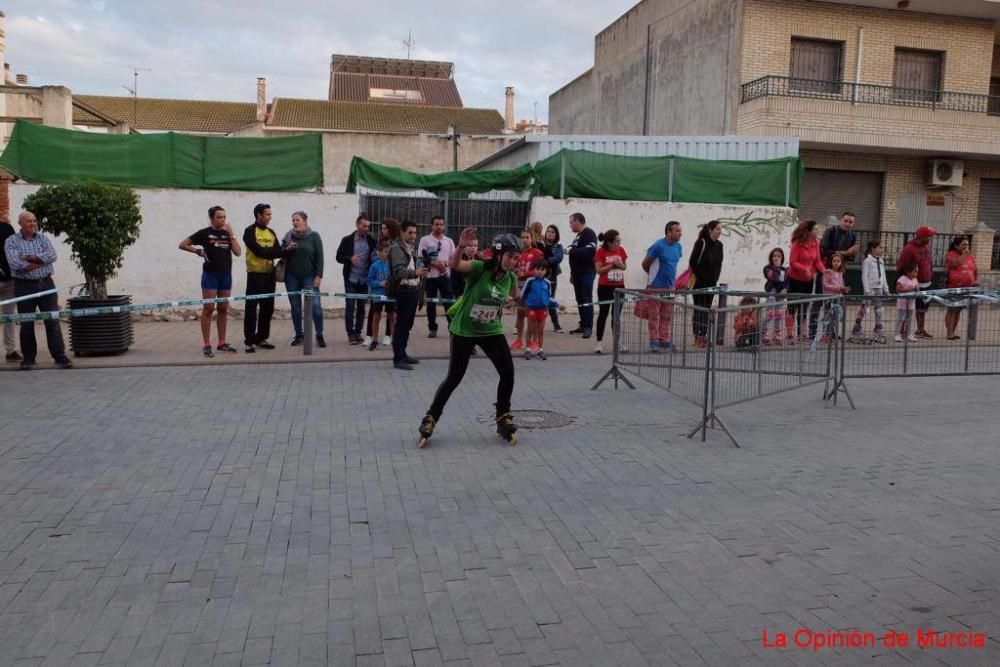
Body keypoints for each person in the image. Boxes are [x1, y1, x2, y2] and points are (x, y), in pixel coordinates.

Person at [417, 231, 521, 448]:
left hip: (491, 330)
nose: (513, 261)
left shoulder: (511, 277)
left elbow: (515, 296)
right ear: (498, 254)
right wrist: (460, 248)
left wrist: (513, 301)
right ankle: (431, 418)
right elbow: (456, 266)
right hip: (465, 330)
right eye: (509, 256)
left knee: (508, 373)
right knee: (454, 378)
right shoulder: (480, 268)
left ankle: (503, 415)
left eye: (516, 257)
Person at [3, 210, 73, 370]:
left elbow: (52, 256)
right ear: (20, 223)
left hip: (46, 284)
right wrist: (40, 261)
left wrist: (27, 258)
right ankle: (28, 358)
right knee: (27, 322)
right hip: (24, 286)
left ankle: (59, 356)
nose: (33, 224)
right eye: (29, 221)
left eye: (34, 220)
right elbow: (15, 264)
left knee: (53, 321)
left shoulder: (43, 238)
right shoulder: (11, 241)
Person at [179, 205, 243, 357]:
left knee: (222, 308)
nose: (222, 220)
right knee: (208, 308)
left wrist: (232, 234)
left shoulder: (227, 233)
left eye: (224, 217)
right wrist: (198, 251)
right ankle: (207, 344)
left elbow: (238, 252)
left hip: (226, 275)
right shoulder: (204, 233)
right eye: (219, 217)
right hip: (210, 275)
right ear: (212, 219)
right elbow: (183, 244)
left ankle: (221, 343)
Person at [242, 203, 286, 353]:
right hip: (254, 275)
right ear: (259, 215)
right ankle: (249, 341)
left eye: (270, 214)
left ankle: (261, 337)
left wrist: (281, 251)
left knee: (267, 308)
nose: (270, 217)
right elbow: (258, 251)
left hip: (269, 275)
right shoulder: (249, 231)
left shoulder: (271, 232)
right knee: (251, 308)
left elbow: (278, 251)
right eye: (267, 214)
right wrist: (273, 252)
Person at [281, 211, 325, 348]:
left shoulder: (314, 236)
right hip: (292, 277)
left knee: (315, 307)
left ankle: (319, 335)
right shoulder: (288, 236)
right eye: (293, 220)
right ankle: (299, 335)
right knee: (296, 307)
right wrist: (287, 248)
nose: (295, 222)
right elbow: (280, 252)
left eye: (297, 220)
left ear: (305, 221)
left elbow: (320, 257)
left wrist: (319, 276)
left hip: (309, 276)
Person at [390, 220, 428, 370]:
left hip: (413, 289)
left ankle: (402, 353)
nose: (413, 236)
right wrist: (416, 273)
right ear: (402, 232)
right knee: (401, 325)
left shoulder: (410, 248)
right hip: (403, 290)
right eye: (410, 233)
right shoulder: (396, 248)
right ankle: (398, 358)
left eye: (415, 233)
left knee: (407, 325)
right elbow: (398, 272)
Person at [641, 221, 683, 353]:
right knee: (654, 315)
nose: (680, 233)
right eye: (677, 231)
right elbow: (645, 264)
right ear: (669, 232)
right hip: (655, 287)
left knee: (667, 315)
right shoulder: (658, 246)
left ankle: (664, 339)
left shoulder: (679, 247)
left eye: (680, 230)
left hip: (670, 287)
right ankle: (654, 340)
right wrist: (653, 277)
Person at [336, 214, 376, 345]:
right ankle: (350, 333)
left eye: (368, 226)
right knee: (350, 306)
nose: (366, 228)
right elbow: (338, 257)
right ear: (357, 225)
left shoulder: (371, 240)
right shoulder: (347, 240)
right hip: (351, 278)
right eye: (364, 226)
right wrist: (350, 258)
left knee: (361, 307)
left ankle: (358, 332)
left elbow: (375, 255)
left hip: (364, 279)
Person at [788, 219, 827, 341]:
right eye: (815, 229)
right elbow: (792, 262)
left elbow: (817, 261)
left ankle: (801, 334)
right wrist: (804, 268)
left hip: (808, 280)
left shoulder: (816, 243)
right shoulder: (797, 243)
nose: (817, 231)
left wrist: (824, 271)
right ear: (809, 231)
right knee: (792, 307)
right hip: (795, 279)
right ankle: (789, 334)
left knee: (804, 307)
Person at [417, 215, 456, 339]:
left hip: (445, 276)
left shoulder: (449, 241)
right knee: (431, 304)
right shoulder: (425, 240)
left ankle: (452, 328)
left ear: (444, 226)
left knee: (449, 304)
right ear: (432, 226)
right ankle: (432, 328)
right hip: (430, 277)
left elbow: (454, 259)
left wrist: (446, 264)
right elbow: (421, 256)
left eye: (441, 224)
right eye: (436, 224)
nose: (439, 226)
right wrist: (435, 264)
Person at [689, 220, 724, 348]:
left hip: (712, 283)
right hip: (699, 283)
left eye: (721, 229)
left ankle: (703, 335)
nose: (720, 232)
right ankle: (697, 336)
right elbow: (693, 262)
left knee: (707, 309)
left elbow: (719, 263)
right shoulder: (701, 243)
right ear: (710, 229)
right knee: (699, 309)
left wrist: (715, 278)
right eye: (717, 229)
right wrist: (703, 277)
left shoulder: (719, 245)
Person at [896, 226, 936, 339]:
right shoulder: (909, 249)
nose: (931, 238)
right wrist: (905, 280)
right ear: (922, 236)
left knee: (922, 308)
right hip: (913, 283)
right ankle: (902, 330)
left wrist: (931, 275)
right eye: (929, 236)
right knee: (907, 308)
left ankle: (920, 330)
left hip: (927, 282)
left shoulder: (928, 247)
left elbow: (930, 263)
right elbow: (901, 265)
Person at [594, 229, 627, 354]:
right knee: (603, 313)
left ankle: (618, 343)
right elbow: (599, 270)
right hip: (605, 286)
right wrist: (611, 265)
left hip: (619, 286)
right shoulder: (600, 252)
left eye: (619, 241)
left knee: (616, 315)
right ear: (609, 242)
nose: (619, 244)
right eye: (617, 241)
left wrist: (619, 265)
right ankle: (599, 343)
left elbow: (624, 267)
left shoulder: (621, 250)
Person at [511, 230, 544, 351]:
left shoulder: (537, 253)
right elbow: (514, 267)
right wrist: (514, 271)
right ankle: (519, 340)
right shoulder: (518, 254)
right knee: (520, 314)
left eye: (527, 237)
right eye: (522, 237)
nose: (524, 239)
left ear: (532, 239)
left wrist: (525, 274)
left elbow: (540, 269)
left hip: (532, 287)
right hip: (520, 287)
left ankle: (534, 341)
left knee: (533, 316)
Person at [850, 241, 889, 344]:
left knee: (879, 310)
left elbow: (883, 276)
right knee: (864, 309)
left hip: (879, 289)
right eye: (880, 248)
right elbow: (864, 276)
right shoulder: (867, 261)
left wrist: (886, 289)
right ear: (873, 248)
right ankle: (856, 330)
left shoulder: (881, 261)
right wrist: (867, 290)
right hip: (870, 289)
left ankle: (878, 331)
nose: (882, 250)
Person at [566, 212, 598, 338]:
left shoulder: (589, 233)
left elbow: (589, 251)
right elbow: (575, 250)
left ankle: (588, 327)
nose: (570, 225)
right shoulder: (579, 236)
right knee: (580, 300)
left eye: (571, 222)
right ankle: (583, 324)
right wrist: (572, 273)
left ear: (578, 221)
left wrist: (571, 250)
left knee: (586, 299)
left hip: (587, 273)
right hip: (578, 274)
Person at [520, 259, 557, 360]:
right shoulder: (530, 281)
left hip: (543, 310)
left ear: (546, 271)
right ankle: (528, 349)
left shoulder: (547, 283)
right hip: (531, 309)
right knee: (530, 330)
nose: (539, 271)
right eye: (537, 269)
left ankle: (540, 350)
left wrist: (557, 304)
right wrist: (521, 303)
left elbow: (549, 297)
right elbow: (522, 294)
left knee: (540, 331)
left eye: (542, 269)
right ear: (534, 269)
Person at [944, 236, 977, 340]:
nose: (966, 246)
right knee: (952, 309)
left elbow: (975, 269)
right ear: (956, 245)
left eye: (967, 244)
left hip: (967, 288)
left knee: (958, 310)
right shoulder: (950, 255)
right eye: (963, 244)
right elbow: (957, 263)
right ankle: (949, 333)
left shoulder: (970, 256)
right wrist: (964, 255)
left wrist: (975, 280)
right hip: (954, 287)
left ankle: (953, 332)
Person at [0, 215, 22, 362]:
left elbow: (14, 251)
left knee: (9, 317)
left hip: (8, 280)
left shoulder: (6, 228)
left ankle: (10, 350)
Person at [365, 241, 394, 351]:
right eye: (386, 251)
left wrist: (391, 284)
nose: (388, 253)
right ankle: (375, 340)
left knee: (392, 316)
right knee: (376, 317)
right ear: (380, 253)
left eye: (389, 251)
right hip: (377, 294)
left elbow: (396, 278)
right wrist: (379, 283)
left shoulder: (392, 265)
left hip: (390, 295)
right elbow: (369, 280)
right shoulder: (374, 266)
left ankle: (394, 340)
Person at [820, 253, 849, 342]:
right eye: (834, 261)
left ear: (841, 263)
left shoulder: (840, 273)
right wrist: (839, 288)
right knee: (828, 316)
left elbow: (840, 283)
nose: (836, 263)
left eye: (838, 261)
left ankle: (832, 332)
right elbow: (825, 285)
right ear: (831, 262)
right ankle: (825, 334)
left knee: (836, 316)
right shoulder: (828, 272)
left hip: (837, 298)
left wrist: (844, 289)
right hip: (829, 298)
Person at [763, 247, 790, 346]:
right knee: (770, 313)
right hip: (771, 292)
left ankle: (776, 334)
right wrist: (777, 268)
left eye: (779, 256)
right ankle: (764, 333)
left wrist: (786, 289)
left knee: (778, 314)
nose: (776, 258)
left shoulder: (785, 270)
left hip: (781, 294)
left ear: (782, 258)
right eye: (774, 256)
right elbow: (773, 277)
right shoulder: (767, 268)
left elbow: (787, 282)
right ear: (771, 257)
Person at [541, 225, 564, 332]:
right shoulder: (540, 244)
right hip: (539, 276)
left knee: (550, 300)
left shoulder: (559, 247)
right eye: (548, 231)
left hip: (552, 277)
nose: (549, 233)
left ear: (556, 235)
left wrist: (545, 261)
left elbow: (558, 258)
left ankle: (556, 324)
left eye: (552, 232)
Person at [895, 263, 920, 343]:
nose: (916, 273)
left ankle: (909, 334)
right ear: (908, 272)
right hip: (902, 303)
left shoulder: (915, 279)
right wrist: (909, 290)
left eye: (917, 272)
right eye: (915, 271)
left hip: (911, 303)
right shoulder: (902, 279)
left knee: (909, 319)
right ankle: (897, 334)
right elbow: (898, 289)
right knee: (900, 319)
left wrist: (917, 290)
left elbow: (917, 290)